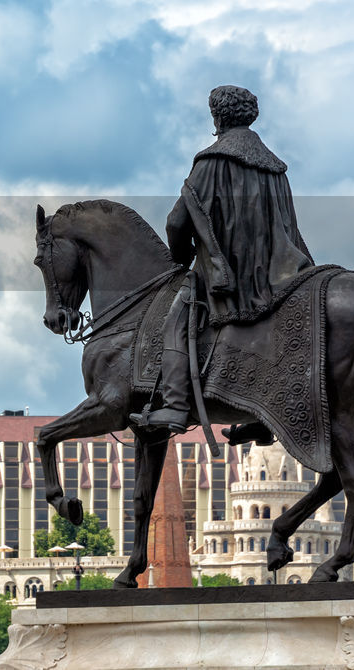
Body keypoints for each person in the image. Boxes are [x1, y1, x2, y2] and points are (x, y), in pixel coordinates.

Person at [131, 85, 313, 434]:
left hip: (229, 275)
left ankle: (175, 406)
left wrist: (182, 260)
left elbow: (177, 221)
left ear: (217, 117)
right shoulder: (275, 167)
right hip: (282, 275)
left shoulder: (211, 161)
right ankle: (264, 418)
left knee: (176, 322)